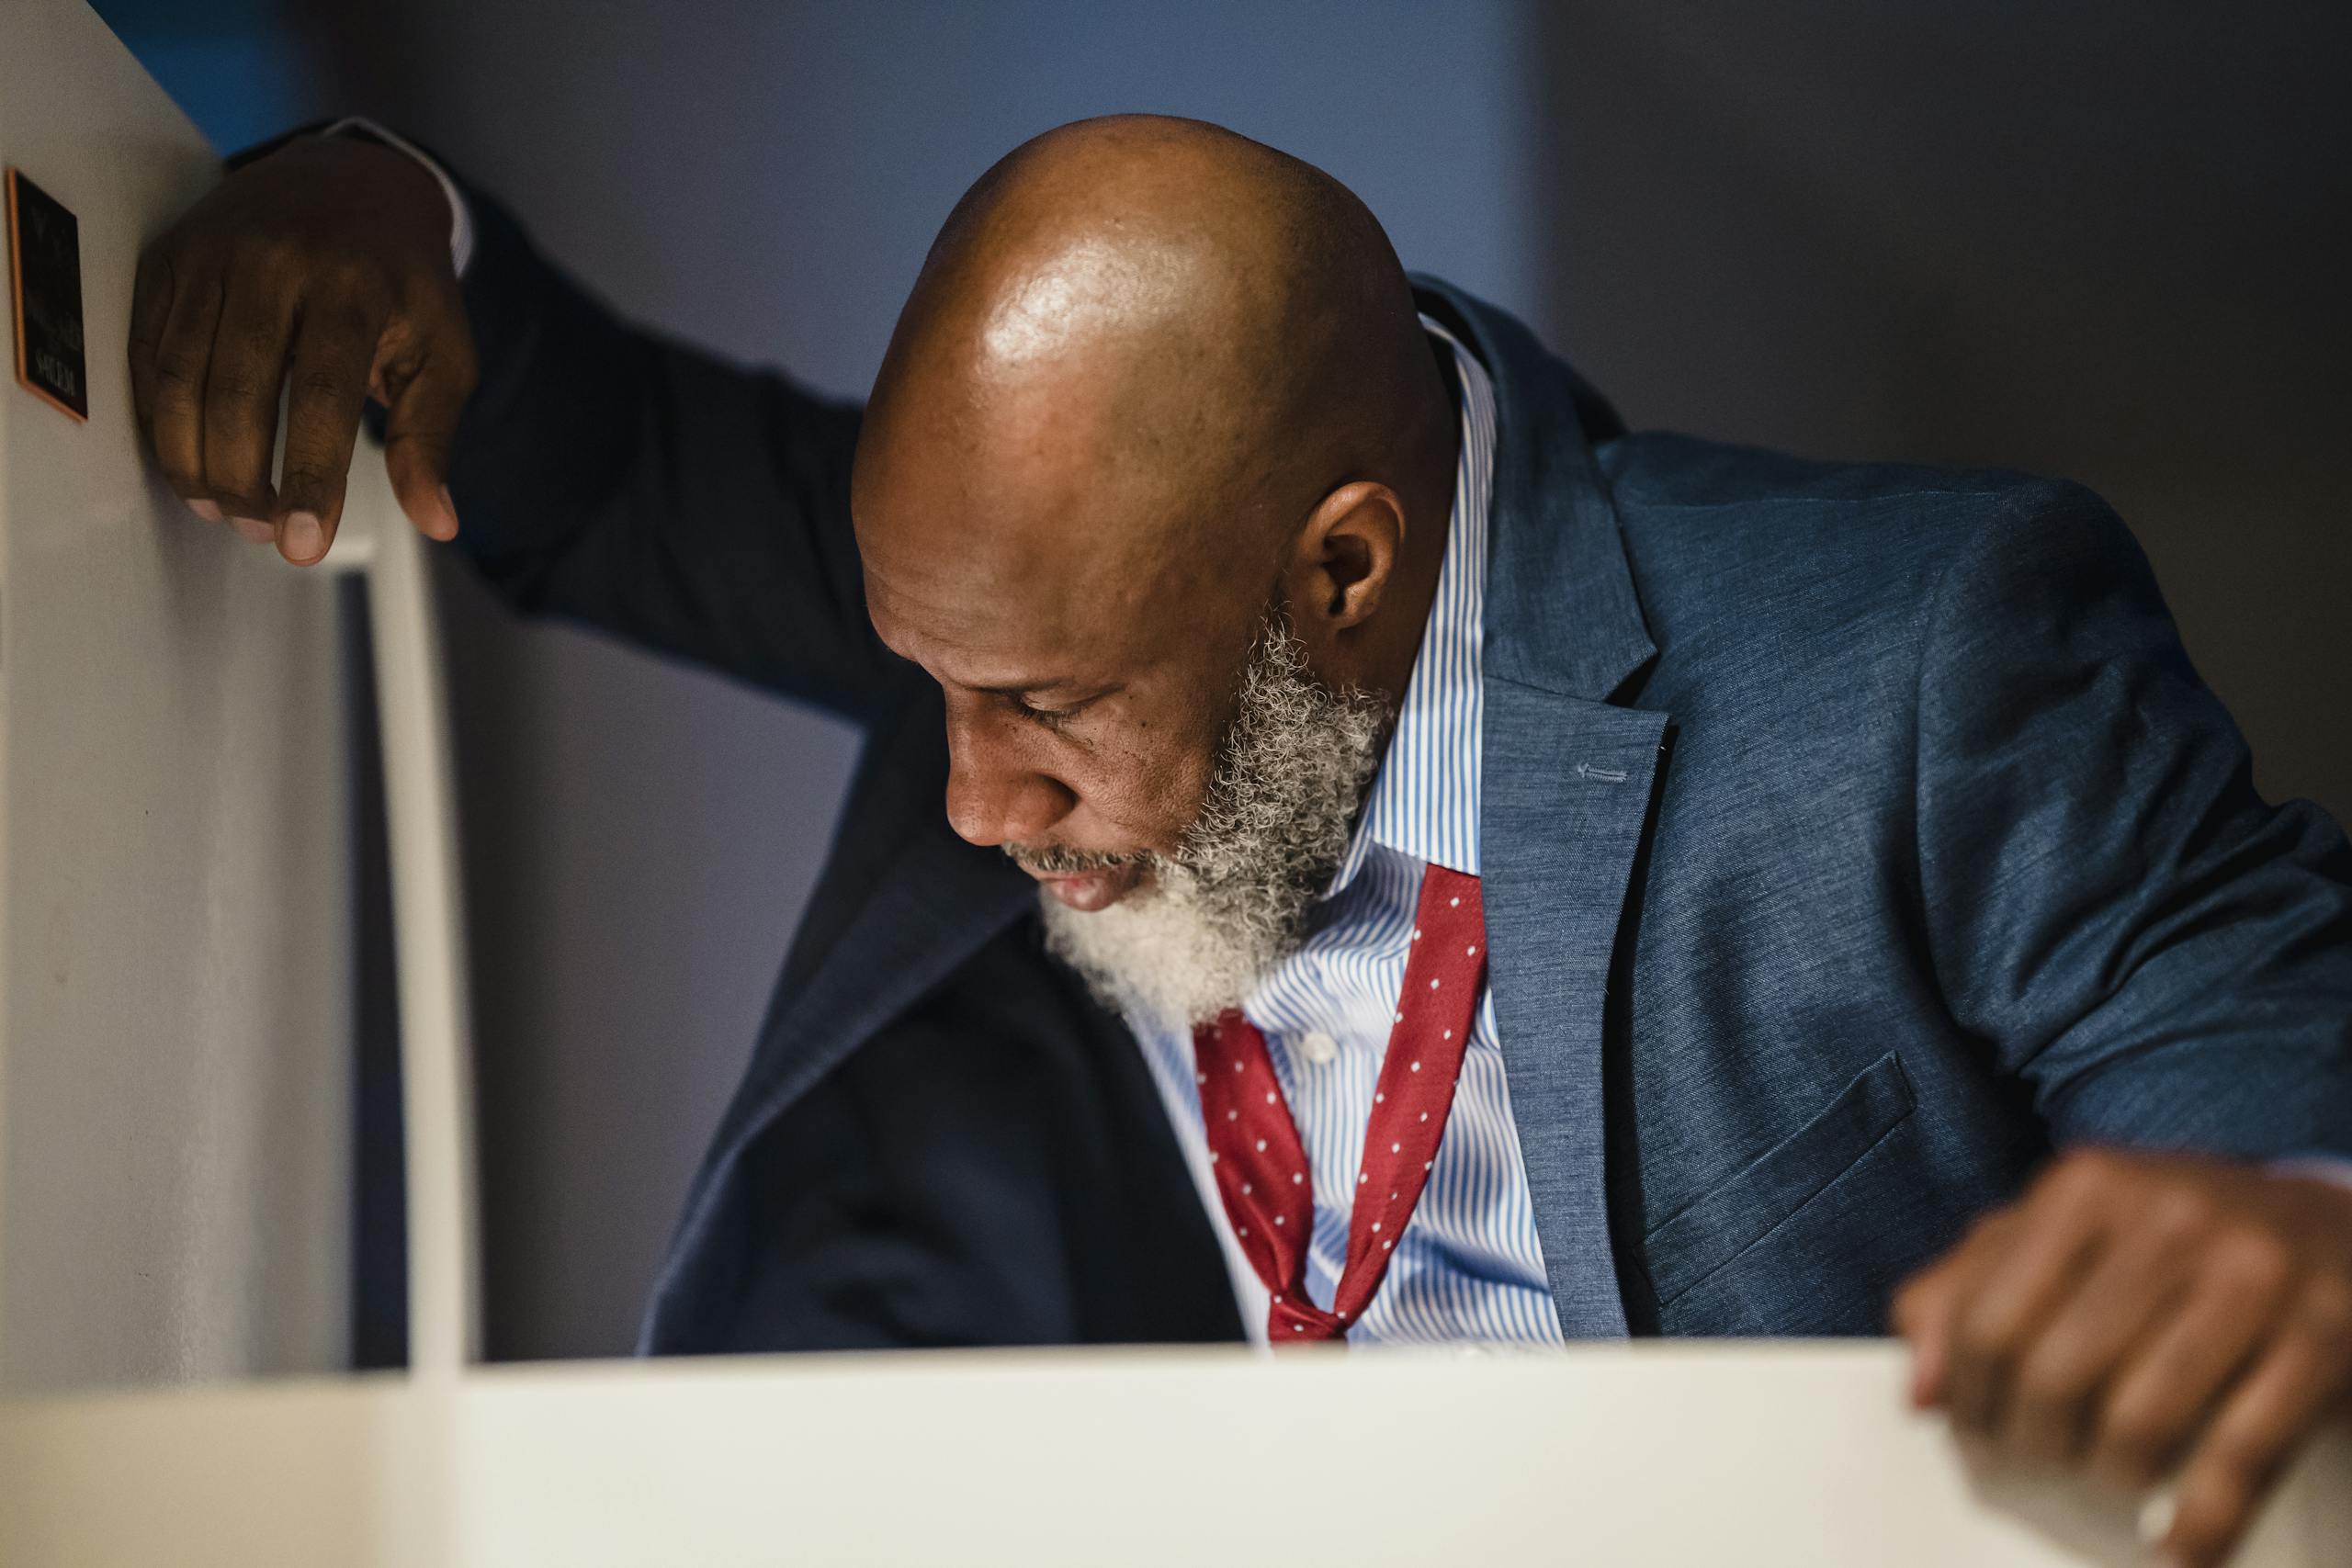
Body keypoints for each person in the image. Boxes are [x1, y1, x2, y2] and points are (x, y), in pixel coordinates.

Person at [132, 113, 2351, 1567]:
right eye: (933, 683)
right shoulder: (1012, 583)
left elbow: (2248, 1004)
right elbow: (598, 453)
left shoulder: (1911, 649)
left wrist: (2278, 1194)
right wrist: (360, 200)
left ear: (1345, 576)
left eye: (1050, 714)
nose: (969, 803)